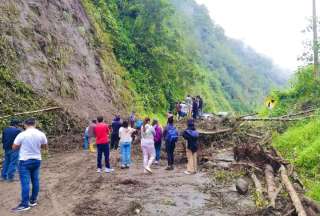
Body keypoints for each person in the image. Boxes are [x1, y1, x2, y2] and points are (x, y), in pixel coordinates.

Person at [11, 118, 48, 212]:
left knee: (25, 183)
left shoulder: (22, 134)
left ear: (25, 124)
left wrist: (22, 145)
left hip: (25, 160)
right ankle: (33, 200)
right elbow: (45, 147)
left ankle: (24, 204)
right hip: (36, 160)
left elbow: (14, 147)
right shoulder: (41, 134)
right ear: (35, 124)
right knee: (35, 180)